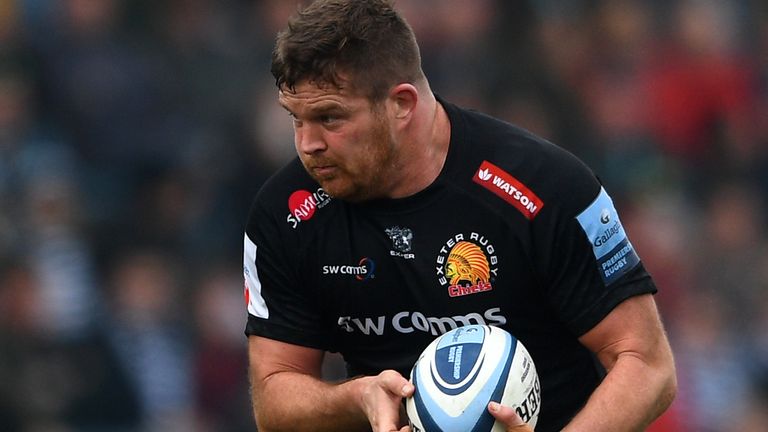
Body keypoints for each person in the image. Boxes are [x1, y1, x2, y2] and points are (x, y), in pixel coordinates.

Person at [242, 1, 677, 431]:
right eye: (295, 119)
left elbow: (647, 365)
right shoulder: (284, 215)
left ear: (402, 104)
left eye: (330, 118)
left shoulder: (548, 187)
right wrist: (355, 396)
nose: (307, 144)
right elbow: (274, 397)